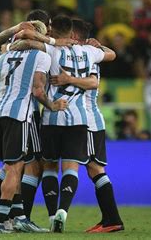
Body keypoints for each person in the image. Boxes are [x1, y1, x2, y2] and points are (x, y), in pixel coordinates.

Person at [0, 22, 67, 233]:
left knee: (12, 166)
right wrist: (53, 105)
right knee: (15, 168)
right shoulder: (41, 57)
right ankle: (1, 220)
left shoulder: (3, 57)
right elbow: (38, 90)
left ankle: (15, 216)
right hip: (19, 115)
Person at [49, 19, 124, 233]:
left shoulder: (84, 55)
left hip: (89, 120)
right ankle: (109, 218)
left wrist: (68, 79)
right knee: (94, 170)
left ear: (73, 36)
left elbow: (93, 82)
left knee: (95, 169)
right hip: (87, 119)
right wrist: (99, 46)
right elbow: (110, 54)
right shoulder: (87, 53)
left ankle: (112, 219)